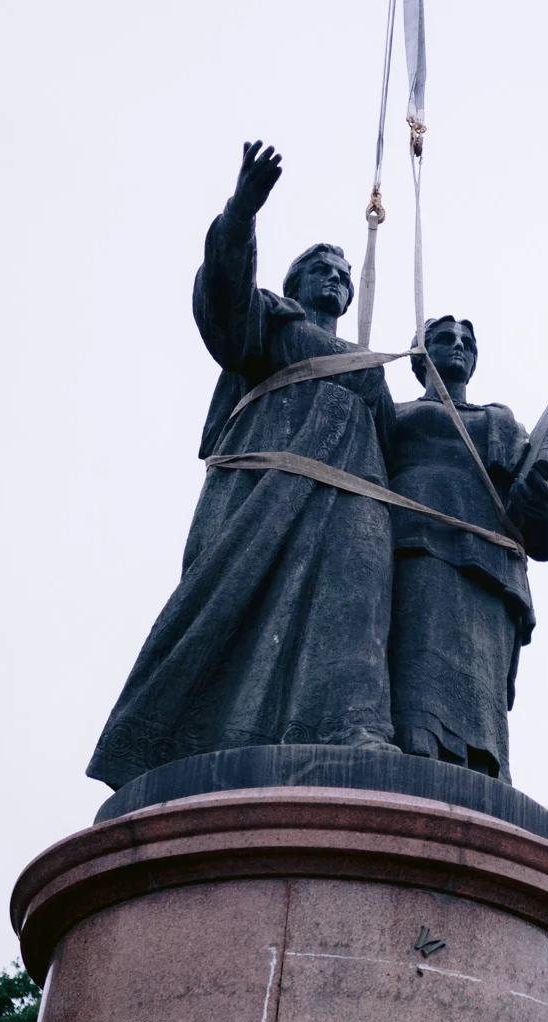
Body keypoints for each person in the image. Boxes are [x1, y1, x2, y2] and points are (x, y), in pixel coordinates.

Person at [90, 142, 398, 787]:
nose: (336, 277)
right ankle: (213, 736)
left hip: (355, 495)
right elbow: (223, 306)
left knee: (358, 599)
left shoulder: (369, 364)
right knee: (242, 604)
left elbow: (399, 445)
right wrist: (241, 213)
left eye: (343, 272)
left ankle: (357, 726)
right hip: (265, 491)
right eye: (321, 267)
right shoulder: (270, 321)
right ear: (295, 283)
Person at [388, 316, 548, 780]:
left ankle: (481, 786)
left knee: (481, 711)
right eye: (443, 339)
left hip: (490, 575)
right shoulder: (394, 416)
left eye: (467, 343)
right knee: (414, 692)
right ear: (420, 356)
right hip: (413, 554)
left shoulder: (500, 423)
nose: (458, 347)